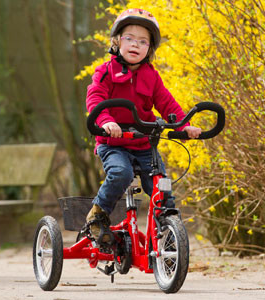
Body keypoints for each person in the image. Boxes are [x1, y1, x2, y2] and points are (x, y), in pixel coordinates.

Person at [85, 8, 201, 243]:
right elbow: (95, 98)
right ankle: (98, 214)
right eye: (129, 38)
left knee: (161, 186)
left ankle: (168, 235)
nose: (135, 45)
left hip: (143, 143)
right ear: (117, 41)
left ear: (149, 49)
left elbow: (167, 103)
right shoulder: (105, 72)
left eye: (143, 41)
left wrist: (184, 126)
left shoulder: (152, 76)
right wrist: (106, 121)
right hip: (114, 143)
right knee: (121, 173)